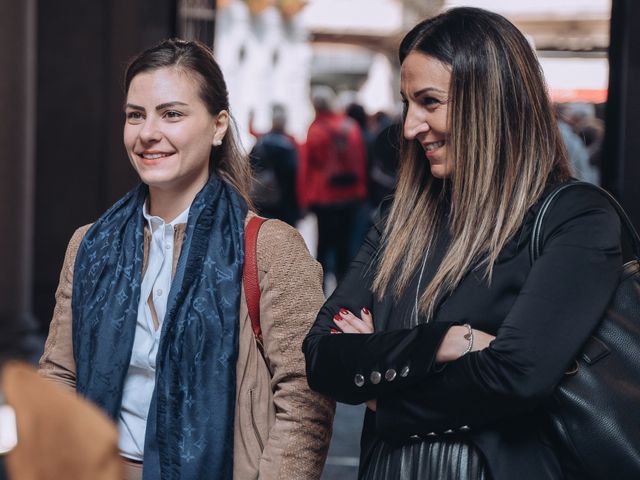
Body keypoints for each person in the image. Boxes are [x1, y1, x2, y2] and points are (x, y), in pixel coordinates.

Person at [303, 7, 621, 480]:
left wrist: (382, 395)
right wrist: (450, 341)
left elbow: (513, 378)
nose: (410, 127)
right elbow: (321, 356)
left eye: (429, 102)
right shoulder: (401, 216)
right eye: (408, 103)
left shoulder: (576, 218)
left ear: (492, 100)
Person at [39, 39, 334, 480]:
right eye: (135, 114)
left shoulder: (270, 249)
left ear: (218, 126)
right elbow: (59, 375)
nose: (147, 133)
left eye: (171, 114)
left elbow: (304, 402)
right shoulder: (89, 245)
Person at [299, 85, 368, 285]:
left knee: (324, 244)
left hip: (325, 197)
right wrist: (361, 190)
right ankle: (343, 289)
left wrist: (304, 198)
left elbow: (307, 167)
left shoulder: (316, 129)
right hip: (351, 195)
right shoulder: (351, 126)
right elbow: (360, 161)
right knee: (345, 245)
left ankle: (319, 289)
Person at [249, 104, 300, 226]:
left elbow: (251, 167)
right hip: (286, 199)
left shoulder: (262, 141)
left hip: (263, 196)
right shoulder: (291, 142)